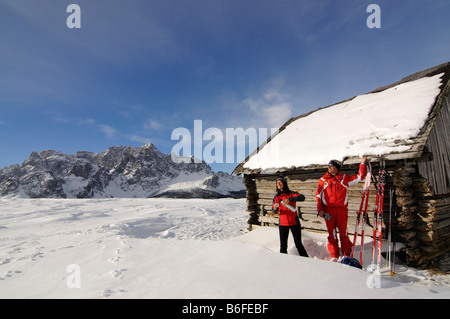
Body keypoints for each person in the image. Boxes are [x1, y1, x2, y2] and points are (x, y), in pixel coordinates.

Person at [316, 157, 367, 261]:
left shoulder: (344, 178)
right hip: (328, 210)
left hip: (341, 210)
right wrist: (320, 210)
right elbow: (318, 196)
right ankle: (334, 255)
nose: (329, 168)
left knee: (343, 232)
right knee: (332, 234)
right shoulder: (323, 180)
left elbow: (360, 177)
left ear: (337, 168)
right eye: (328, 166)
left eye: (332, 166)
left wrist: (362, 163)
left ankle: (346, 253)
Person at [272, 175, 309, 257]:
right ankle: (284, 264)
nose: (279, 184)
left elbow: (302, 197)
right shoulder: (277, 197)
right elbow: (274, 211)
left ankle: (307, 261)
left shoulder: (292, 194)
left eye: (280, 182)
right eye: (277, 183)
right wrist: (275, 208)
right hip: (283, 223)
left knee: (298, 244)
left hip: (294, 222)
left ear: (284, 183)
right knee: (283, 246)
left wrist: (290, 200)